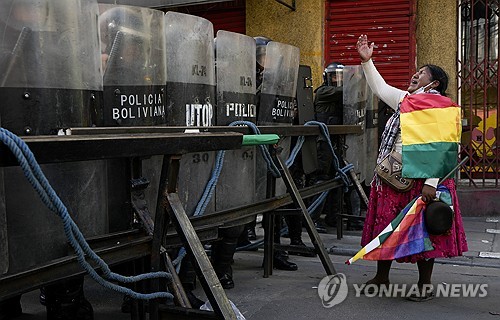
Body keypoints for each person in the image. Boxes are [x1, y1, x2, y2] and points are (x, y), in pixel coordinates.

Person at [356, 34, 468, 301]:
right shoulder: (406, 100)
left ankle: (424, 285)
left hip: (424, 181)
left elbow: (443, 148)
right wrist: (367, 61)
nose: (415, 75)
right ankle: (382, 277)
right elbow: (380, 88)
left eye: (422, 73)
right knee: (388, 227)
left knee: (424, 231)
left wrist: (431, 183)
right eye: (416, 71)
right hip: (395, 176)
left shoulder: (442, 107)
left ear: (435, 83)